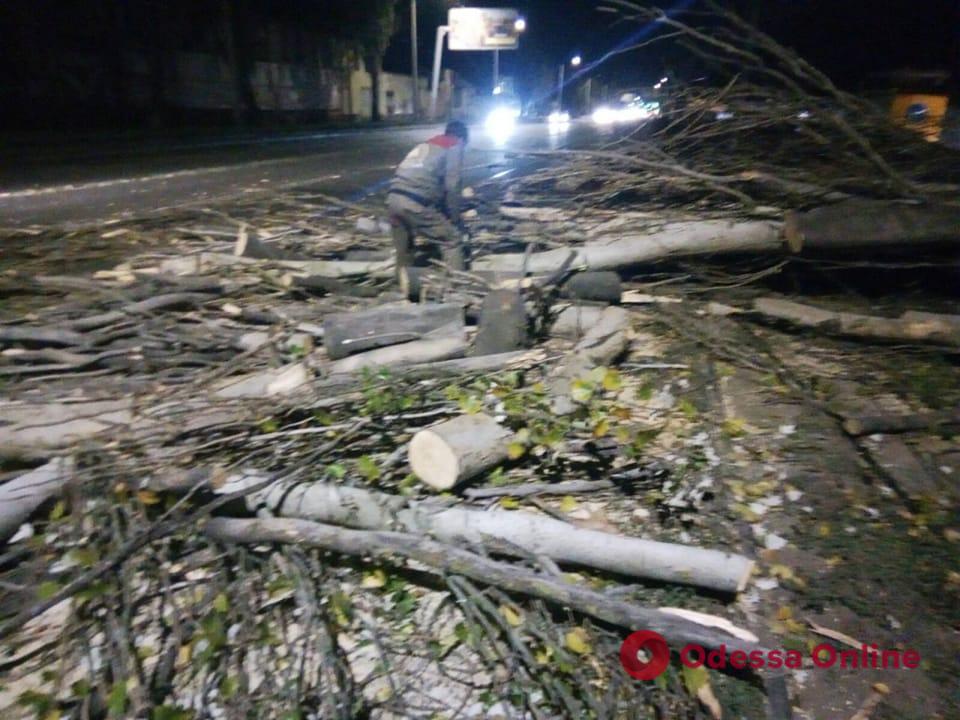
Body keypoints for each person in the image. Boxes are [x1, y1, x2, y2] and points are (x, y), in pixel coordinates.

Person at [387, 120, 469, 279]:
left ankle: (402, 289)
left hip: (393, 200)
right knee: (452, 240)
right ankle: (459, 289)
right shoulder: (454, 144)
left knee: (404, 250)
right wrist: (454, 218)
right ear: (462, 138)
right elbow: (453, 186)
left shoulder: (427, 145)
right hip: (414, 202)